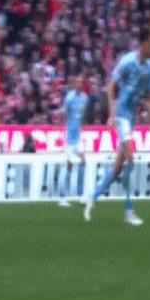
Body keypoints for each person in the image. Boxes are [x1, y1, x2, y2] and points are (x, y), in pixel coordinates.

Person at [84, 30, 150, 226]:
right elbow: (110, 87)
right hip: (121, 115)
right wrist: (111, 114)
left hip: (131, 119)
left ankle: (93, 197)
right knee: (131, 160)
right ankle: (128, 210)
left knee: (118, 168)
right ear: (142, 44)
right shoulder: (127, 61)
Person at [60, 75, 88, 207]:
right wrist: (65, 129)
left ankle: (80, 194)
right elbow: (63, 113)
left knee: (83, 162)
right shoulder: (69, 98)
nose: (79, 84)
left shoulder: (85, 98)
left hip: (78, 136)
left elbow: (83, 115)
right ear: (74, 84)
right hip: (70, 136)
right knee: (69, 166)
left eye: (81, 82)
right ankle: (63, 197)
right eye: (77, 82)